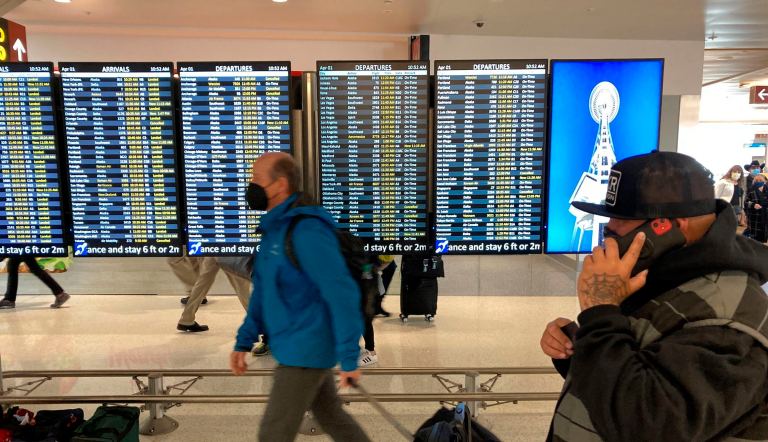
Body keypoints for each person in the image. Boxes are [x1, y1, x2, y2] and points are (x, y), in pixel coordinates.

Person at [540, 152, 768, 441]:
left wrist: (599, 313)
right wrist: (577, 349)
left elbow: (646, 423)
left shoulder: (728, 319)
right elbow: (635, 376)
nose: (607, 240)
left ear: (667, 227)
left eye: (618, 228)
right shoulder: (661, 278)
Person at [230, 152, 369, 442]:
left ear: (279, 185)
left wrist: (348, 357)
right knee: (333, 416)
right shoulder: (275, 229)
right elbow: (263, 290)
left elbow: (341, 293)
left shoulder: (307, 231)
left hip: (306, 349)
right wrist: (244, 339)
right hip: (294, 344)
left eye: (256, 179)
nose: (250, 185)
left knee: (273, 433)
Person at [174, 256, 252, 332]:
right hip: (229, 250)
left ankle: (186, 319)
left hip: (213, 249)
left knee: (203, 282)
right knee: (241, 284)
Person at [0, 257, 69, 309]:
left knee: (32, 267)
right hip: (23, 243)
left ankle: (9, 299)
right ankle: (60, 294)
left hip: (22, 242)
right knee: (14, 263)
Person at [744, 173, 768, 243]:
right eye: (756, 181)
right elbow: (746, 202)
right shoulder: (751, 191)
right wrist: (753, 205)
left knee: (763, 236)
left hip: (765, 216)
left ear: (765, 181)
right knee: (754, 238)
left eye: (760, 180)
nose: (758, 182)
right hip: (755, 217)